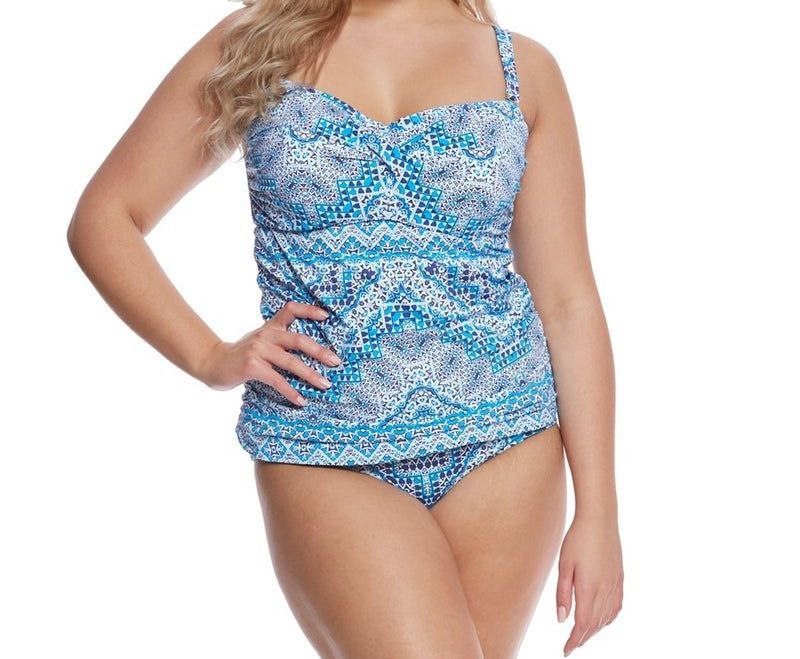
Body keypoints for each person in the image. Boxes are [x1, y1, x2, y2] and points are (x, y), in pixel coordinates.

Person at [67, 0, 623, 656]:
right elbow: (105, 216)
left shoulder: (522, 70)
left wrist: (600, 512)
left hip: (506, 442)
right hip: (321, 445)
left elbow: (568, 300)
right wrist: (208, 354)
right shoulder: (259, 42)